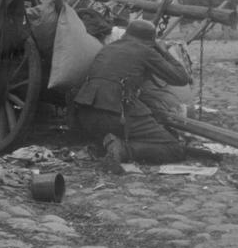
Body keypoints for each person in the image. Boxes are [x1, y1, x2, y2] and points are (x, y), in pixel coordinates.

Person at [72, 19, 193, 167]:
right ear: (150, 41)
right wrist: (162, 50)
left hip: (87, 116)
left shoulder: (108, 48)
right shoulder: (146, 51)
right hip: (115, 115)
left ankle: (106, 144)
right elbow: (181, 78)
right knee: (174, 149)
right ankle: (124, 150)